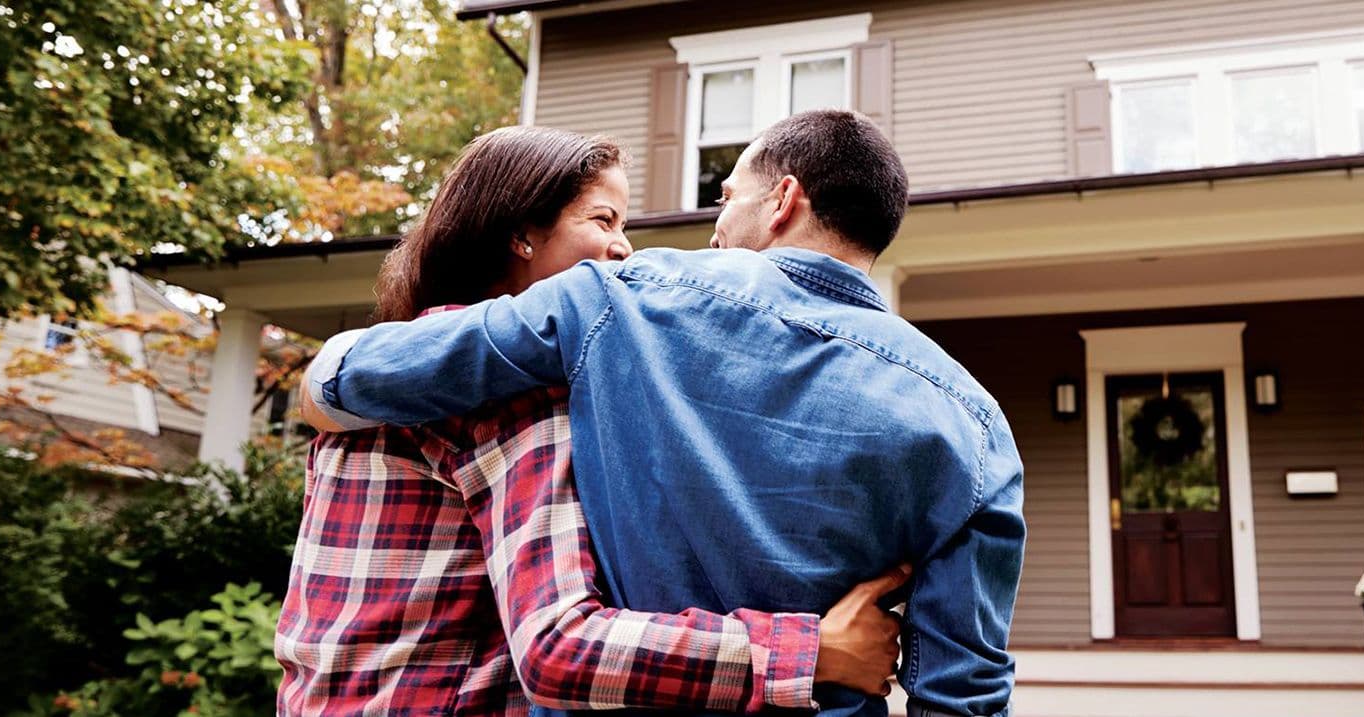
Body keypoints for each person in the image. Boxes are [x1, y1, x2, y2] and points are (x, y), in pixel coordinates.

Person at [302, 110, 1024, 717]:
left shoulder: (618, 299)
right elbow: (965, 690)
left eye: (725, 201)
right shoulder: (976, 422)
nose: (711, 232)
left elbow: (367, 372)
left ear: (782, 201)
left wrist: (322, 380)